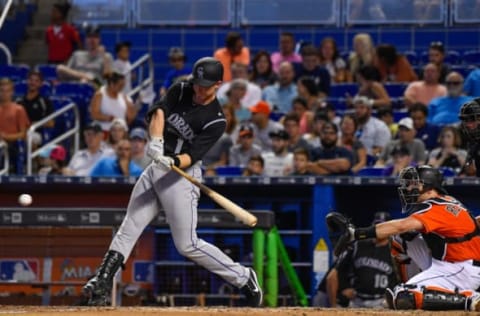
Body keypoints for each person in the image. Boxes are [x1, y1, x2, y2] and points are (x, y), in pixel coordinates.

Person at [82, 57, 262, 307]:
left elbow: (193, 155)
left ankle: (244, 277)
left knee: (187, 244)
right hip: (157, 166)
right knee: (130, 225)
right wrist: (156, 142)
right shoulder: (182, 88)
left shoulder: (216, 120)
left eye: (205, 86)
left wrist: (174, 161)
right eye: (197, 83)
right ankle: (101, 281)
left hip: (181, 177)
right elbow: (159, 112)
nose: (199, 90)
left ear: (218, 84)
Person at [327, 165, 480, 311]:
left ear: (429, 187)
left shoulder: (435, 207)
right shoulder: (447, 200)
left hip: (461, 268)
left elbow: (401, 225)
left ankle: (470, 300)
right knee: (402, 239)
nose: (408, 189)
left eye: (414, 184)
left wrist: (357, 233)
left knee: (404, 296)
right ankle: (413, 284)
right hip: (451, 261)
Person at [326, 212, 398, 308]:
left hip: (381, 302)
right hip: (357, 300)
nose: (380, 229)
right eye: (377, 225)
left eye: (383, 226)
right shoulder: (359, 245)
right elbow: (334, 274)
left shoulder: (395, 250)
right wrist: (343, 289)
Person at [0, 78, 30, 173]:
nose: (4, 94)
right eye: (1, 91)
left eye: (7, 91)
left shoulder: (19, 109)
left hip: (12, 144)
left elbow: (23, 134)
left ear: (12, 92)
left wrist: (6, 137)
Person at [458, 98, 480, 177]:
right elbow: (463, 176)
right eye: (466, 120)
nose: (468, 125)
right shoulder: (473, 143)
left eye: (472, 120)